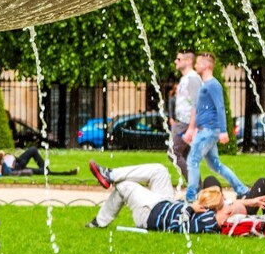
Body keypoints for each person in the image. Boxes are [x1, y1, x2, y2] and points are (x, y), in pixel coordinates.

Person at [86, 161, 227, 233]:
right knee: (159, 170)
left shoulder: (208, 220)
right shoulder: (210, 210)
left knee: (124, 186)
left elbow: (177, 227)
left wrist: (190, 209)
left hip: (150, 214)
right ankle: (110, 174)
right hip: (165, 203)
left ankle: (98, 222)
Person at [183, 53, 250, 201]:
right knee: (215, 165)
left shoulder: (213, 84)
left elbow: (220, 107)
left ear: (206, 66)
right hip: (205, 130)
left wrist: (224, 131)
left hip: (208, 130)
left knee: (192, 161)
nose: (195, 66)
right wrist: (193, 128)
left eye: (198, 63)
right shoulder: (205, 85)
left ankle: (190, 196)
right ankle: (241, 189)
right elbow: (200, 109)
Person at [170, 51, 199, 176]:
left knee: (173, 152)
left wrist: (192, 127)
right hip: (183, 122)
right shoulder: (185, 78)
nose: (176, 61)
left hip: (186, 122)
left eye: (179, 59)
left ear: (188, 61)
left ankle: (196, 186)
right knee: (186, 157)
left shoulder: (192, 78)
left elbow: (197, 104)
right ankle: (196, 188)